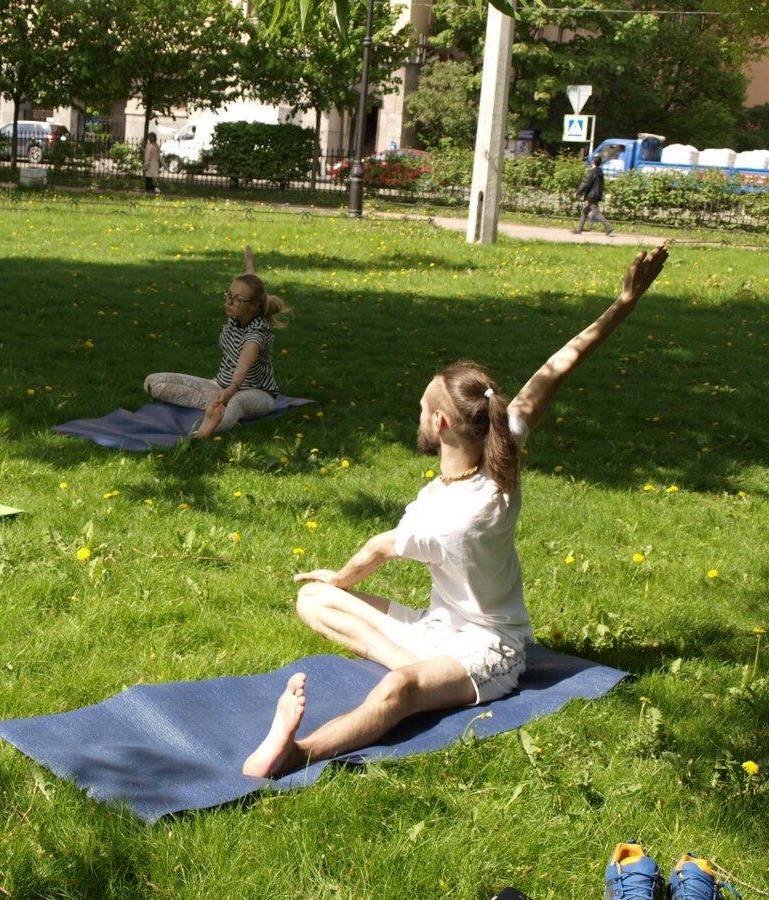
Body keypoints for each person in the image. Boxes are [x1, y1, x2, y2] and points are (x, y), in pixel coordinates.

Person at [242, 245, 669, 778]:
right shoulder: (502, 445)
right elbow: (558, 367)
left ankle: (297, 751)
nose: (418, 414)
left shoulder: (448, 519)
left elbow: (378, 549)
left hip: (489, 651)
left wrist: (343, 577)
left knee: (397, 689)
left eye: (423, 408)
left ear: (441, 425)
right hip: (435, 628)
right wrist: (623, 303)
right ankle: (413, 662)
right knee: (314, 598)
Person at [144, 246, 290, 439]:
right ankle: (214, 402)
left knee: (235, 404)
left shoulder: (257, 332)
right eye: (229, 296)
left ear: (255, 307)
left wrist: (230, 391)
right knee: (153, 383)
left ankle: (205, 431)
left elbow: (243, 367)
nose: (229, 302)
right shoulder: (239, 313)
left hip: (256, 394)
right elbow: (251, 285)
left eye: (237, 299)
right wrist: (249, 264)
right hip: (220, 385)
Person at [574, 155, 613, 236]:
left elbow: (586, 183)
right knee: (584, 211)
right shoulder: (600, 172)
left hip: (591, 195)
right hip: (596, 194)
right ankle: (578, 229)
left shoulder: (593, 172)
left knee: (596, 212)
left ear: (593, 162)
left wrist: (577, 192)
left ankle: (608, 226)